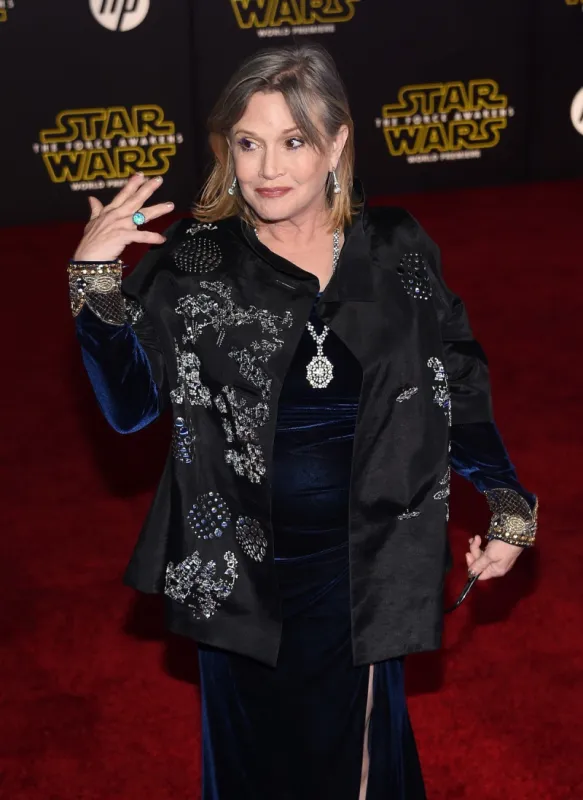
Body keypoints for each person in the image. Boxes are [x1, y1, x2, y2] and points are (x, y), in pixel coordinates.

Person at [68, 42, 538, 800]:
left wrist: (509, 506)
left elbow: (456, 375)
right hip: (241, 571)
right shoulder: (194, 258)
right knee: (256, 765)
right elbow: (129, 410)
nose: (265, 168)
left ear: (336, 143)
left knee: (356, 766)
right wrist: (94, 281)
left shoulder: (395, 247)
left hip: (367, 559)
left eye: (292, 141)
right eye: (247, 143)